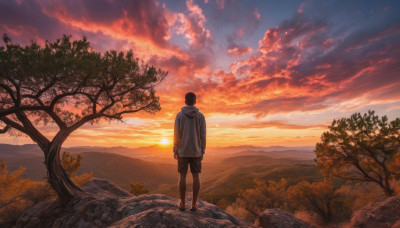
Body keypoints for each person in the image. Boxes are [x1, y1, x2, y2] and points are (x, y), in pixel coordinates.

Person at [173, 92, 206, 211]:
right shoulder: (200, 116)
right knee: (196, 176)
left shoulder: (179, 116)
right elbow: (203, 135)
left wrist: (175, 149)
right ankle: (193, 204)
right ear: (195, 101)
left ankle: (182, 203)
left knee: (182, 176)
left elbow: (177, 134)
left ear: (185, 101)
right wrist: (202, 151)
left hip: (182, 151)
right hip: (196, 151)